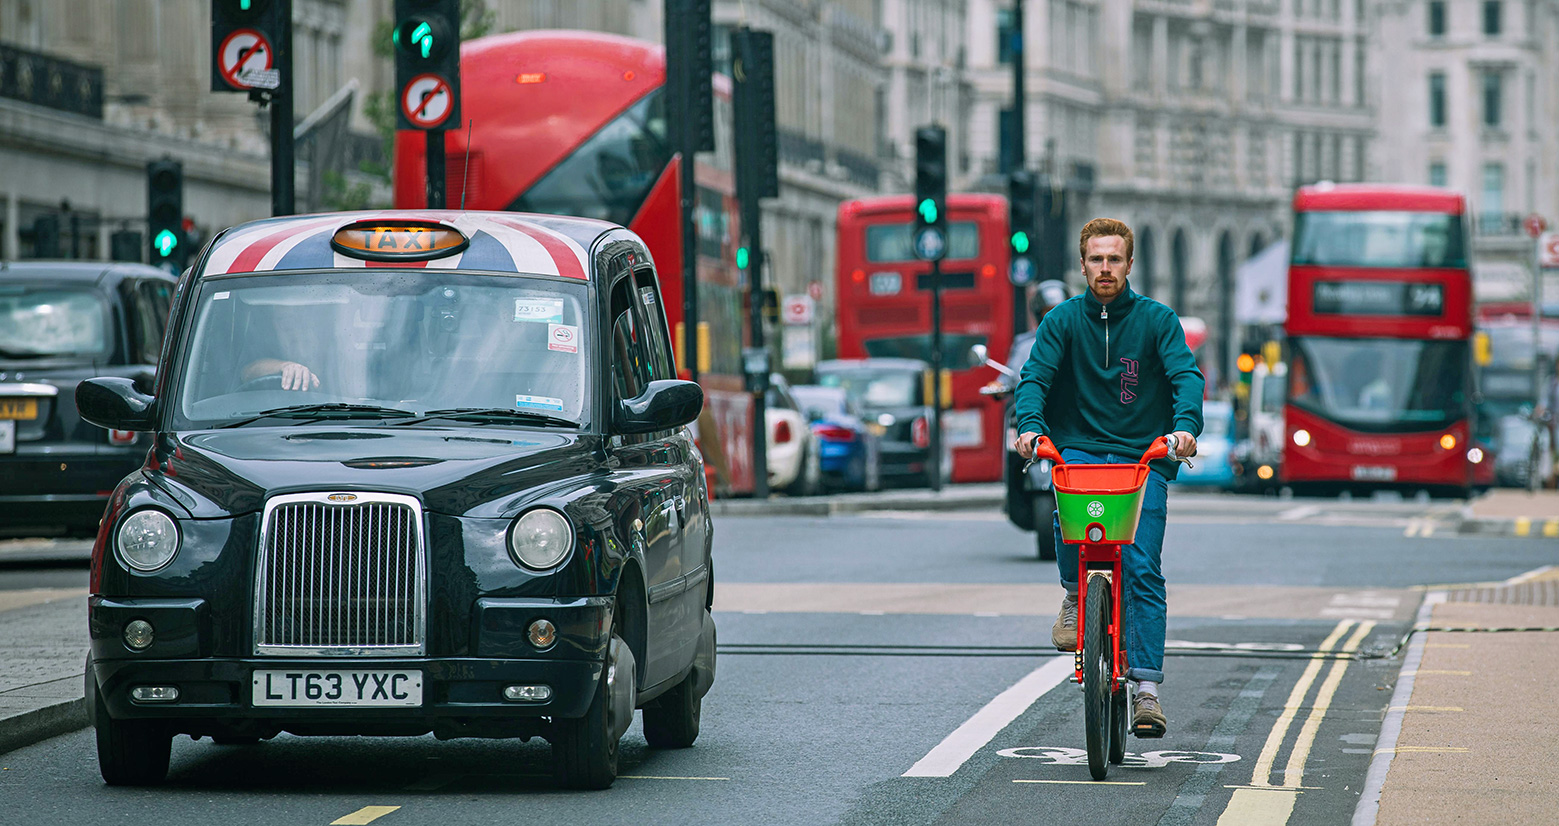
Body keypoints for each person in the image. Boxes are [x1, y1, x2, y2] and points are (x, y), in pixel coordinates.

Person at [1012, 217, 1204, 739]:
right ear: (1082, 265)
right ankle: (1075, 594)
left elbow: (1186, 377)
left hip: (1143, 459)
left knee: (1141, 565)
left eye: (1113, 259)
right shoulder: (1062, 321)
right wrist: (1030, 428)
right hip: (1079, 454)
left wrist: (1184, 430)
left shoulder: (1158, 321)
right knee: (1063, 503)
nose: (1104, 268)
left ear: (1129, 264)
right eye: (1095, 259)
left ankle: (1146, 690)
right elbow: (1035, 379)